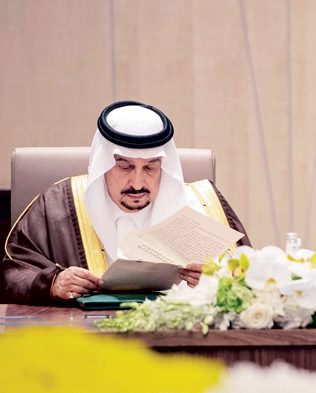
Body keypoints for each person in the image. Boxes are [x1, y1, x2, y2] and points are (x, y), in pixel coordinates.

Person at [2, 101, 251, 305]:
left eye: (151, 167)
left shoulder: (202, 203)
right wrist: (53, 284)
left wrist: (217, 282)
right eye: (124, 166)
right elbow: (14, 272)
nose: (138, 183)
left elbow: (252, 280)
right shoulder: (58, 206)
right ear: (103, 164)